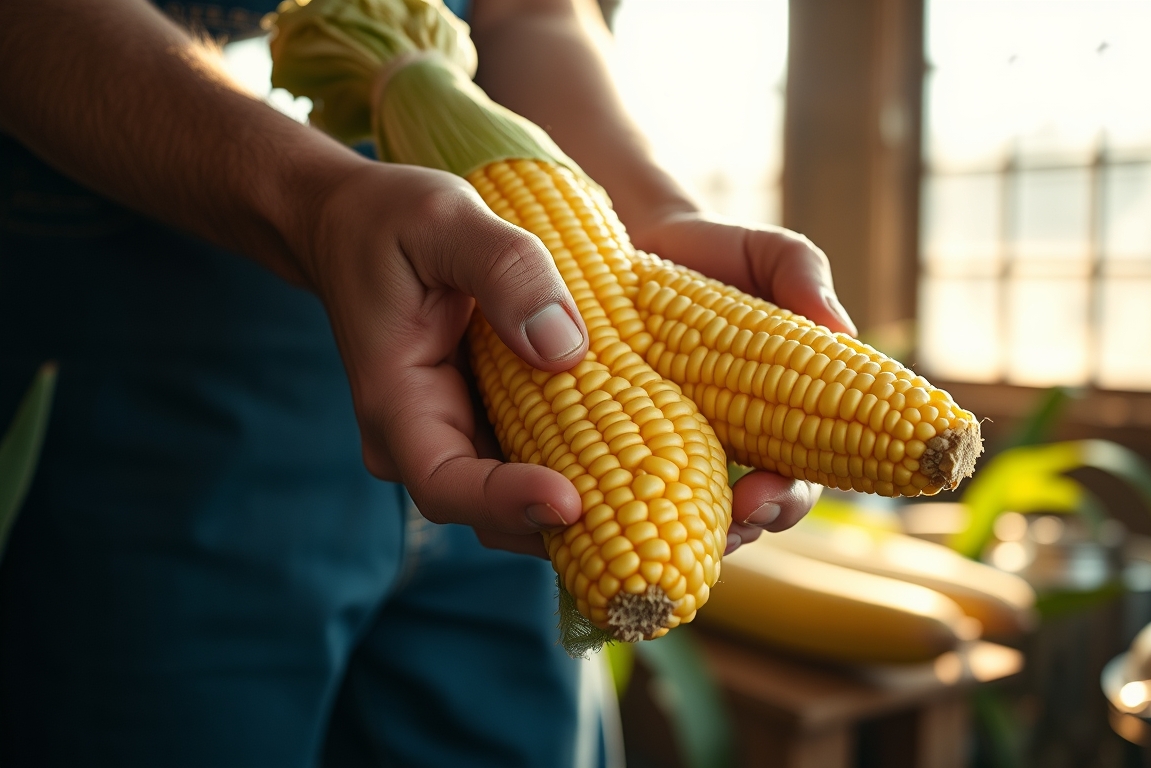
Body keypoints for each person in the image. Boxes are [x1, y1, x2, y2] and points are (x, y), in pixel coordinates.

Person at [0, 0, 856, 764]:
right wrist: (314, 198)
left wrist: (649, 217)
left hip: (508, 378)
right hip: (156, 372)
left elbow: (529, 12)